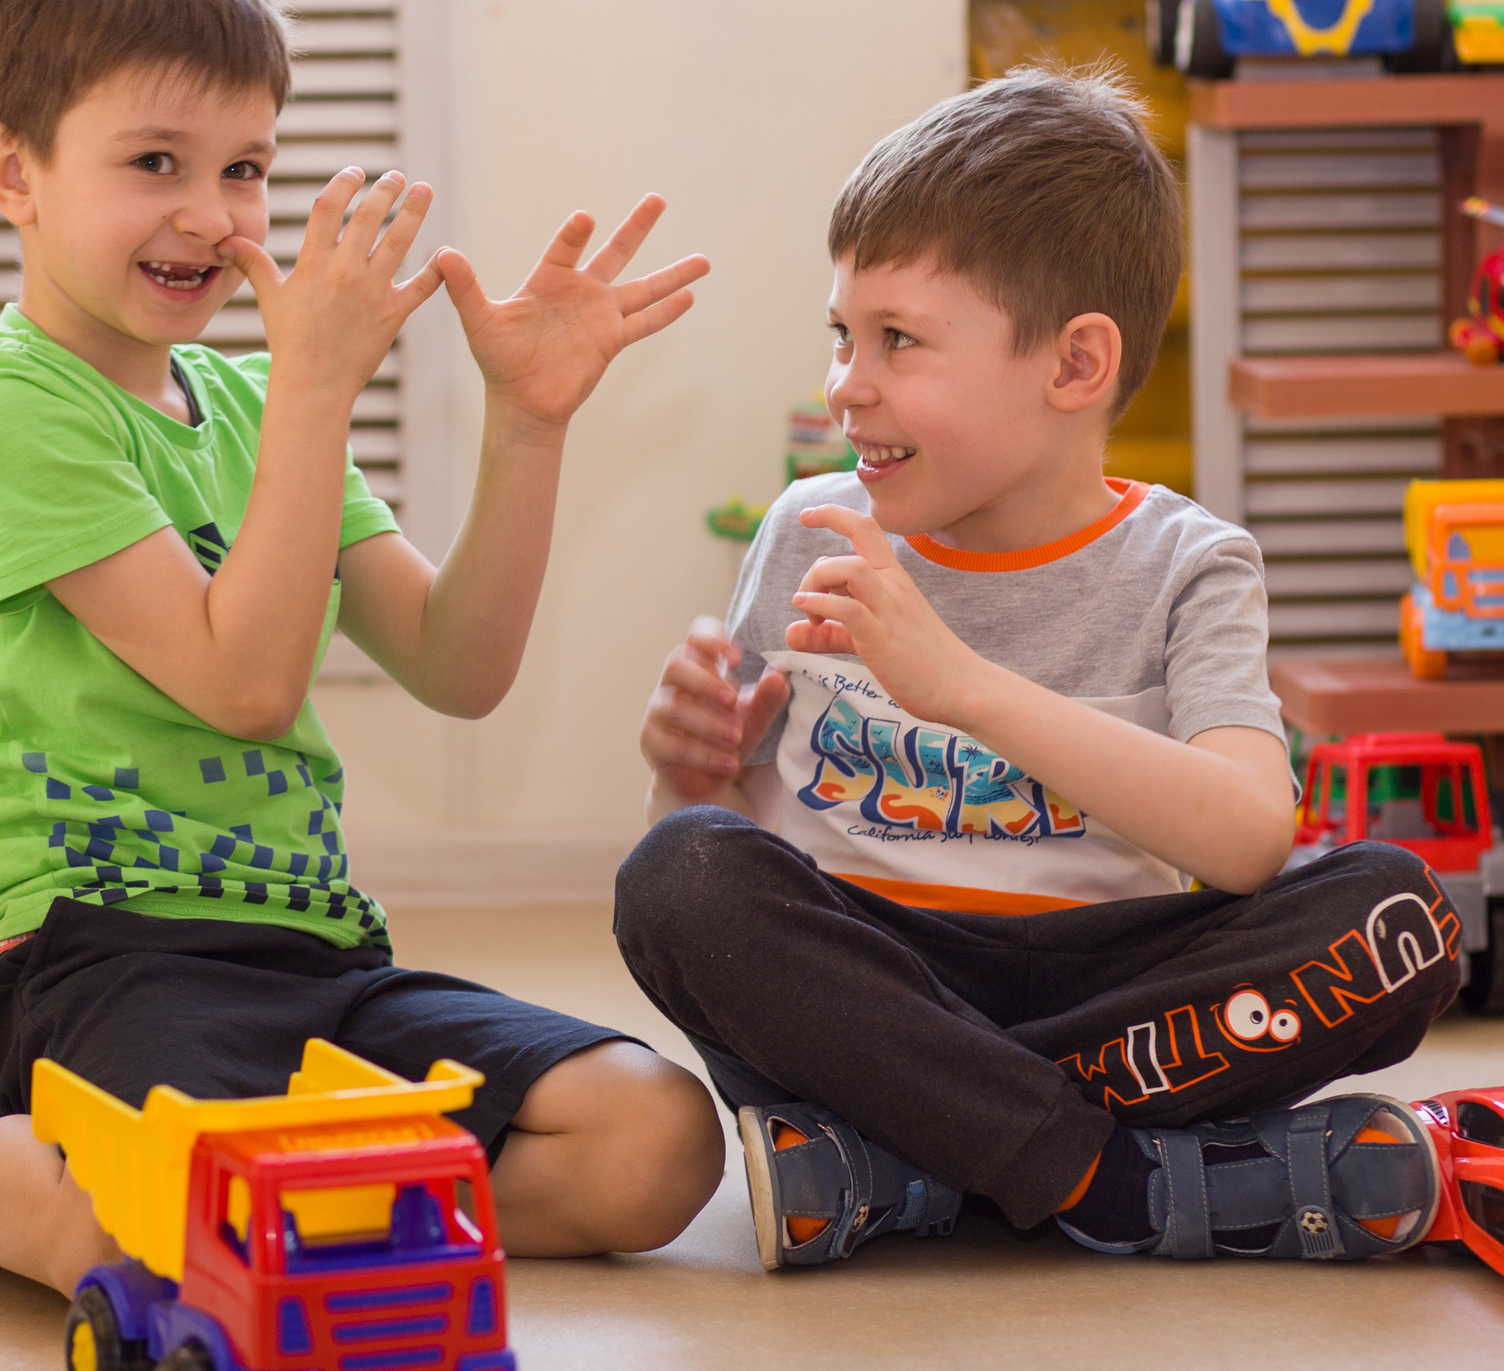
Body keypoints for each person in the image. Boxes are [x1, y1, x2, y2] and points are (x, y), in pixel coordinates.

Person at [0, 0, 724, 1292]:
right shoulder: (5, 413)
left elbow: (457, 664)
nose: (213, 217)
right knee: (148, 1241)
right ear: (10, 170)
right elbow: (244, 682)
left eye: (246, 168)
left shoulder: (246, 404)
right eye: (153, 160)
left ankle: (253, 1182)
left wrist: (527, 424)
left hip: (312, 954)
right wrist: (319, 392)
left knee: (654, 1140)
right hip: (89, 953)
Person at [618, 66, 1457, 1272]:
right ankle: (1108, 1179)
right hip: (876, 989)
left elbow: (1244, 840)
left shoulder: (1191, 564)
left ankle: (911, 1157)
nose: (845, 383)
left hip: (1106, 993)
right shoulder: (810, 529)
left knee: (1396, 915)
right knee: (677, 879)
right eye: (842, 335)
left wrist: (958, 684)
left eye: (897, 340)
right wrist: (681, 772)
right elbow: (722, 862)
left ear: (1073, 368)